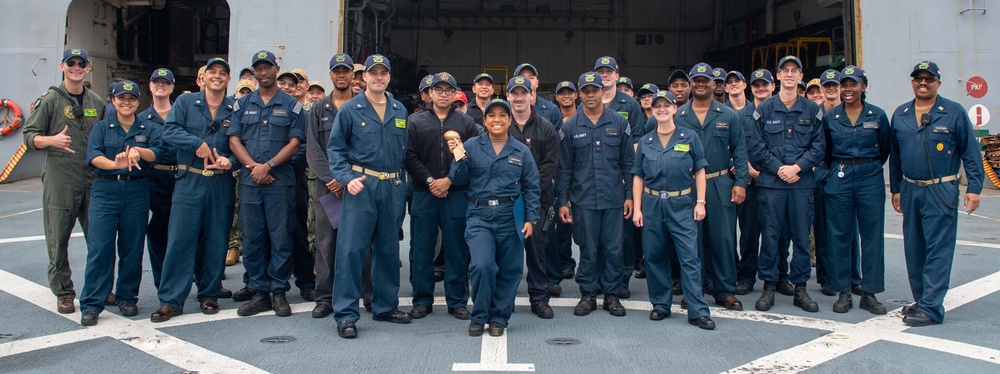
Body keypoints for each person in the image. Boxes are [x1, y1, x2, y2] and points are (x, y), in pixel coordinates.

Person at [890, 60, 983, 326]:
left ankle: (931, 308)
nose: (923, 82)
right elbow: (895, 156)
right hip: (910, 189)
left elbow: (970, 152)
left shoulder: (952, 112)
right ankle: (922, 300)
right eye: (918, 78)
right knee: (914, 247)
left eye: (928, 79)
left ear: (938, 83)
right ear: (912, 82)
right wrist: (896, 188)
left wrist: (974, 188)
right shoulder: (901, 114)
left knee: (938, 249)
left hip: (940, 189)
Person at [328, 54, 412, 339]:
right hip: (362, 186)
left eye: (383, 73)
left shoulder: (399, 109)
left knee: (388, 250)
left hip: (392, 187)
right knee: (351, 251)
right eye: (373, 73)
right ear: (363, 77)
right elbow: (336, 151)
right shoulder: (351, 110)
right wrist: (347, 179)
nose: (378, 77)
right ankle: (346, 314)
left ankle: (385, 306)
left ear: (389, 77)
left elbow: (404, 152)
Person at [151, 57, 237, 322]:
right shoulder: (187, 103)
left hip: (220, 182)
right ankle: (171, 300)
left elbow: (243, 144)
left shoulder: (235, 108)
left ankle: (209, 293)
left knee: (216, 239)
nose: (217, 76)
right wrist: (195, 143)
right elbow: (169, 132)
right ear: (204, 76)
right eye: (213, 72)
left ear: (228, 79)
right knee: (180, 240)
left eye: (223, 73)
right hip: (189, 180)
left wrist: (230, 161)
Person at [22, 48, 106, 314]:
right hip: (61, 180)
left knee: (99, 238)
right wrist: (52, 140)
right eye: (72, 63)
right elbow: (29, 136)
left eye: (82, 63)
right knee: (58, 239)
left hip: (92, 179)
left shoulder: (97, 102)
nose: (77, 67)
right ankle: (64, 292)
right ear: (62, 66)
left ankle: (100, 288)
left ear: (88, 68)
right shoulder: (49, 101)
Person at [448, 99, 540, 337]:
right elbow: (458, 180)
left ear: (509, 120)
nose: (497, 119)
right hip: (479, 215)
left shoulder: (521, 150)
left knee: (510, 270)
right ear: (485, 120)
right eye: (492, 116)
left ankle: (499, 317)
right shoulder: (470, 145)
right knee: (481, 265)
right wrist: (458, 156)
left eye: (502, 115)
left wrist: (530, 218)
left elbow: (531, 187)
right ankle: (479, 315)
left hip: (511, 215)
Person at [228, 50, 307, 317]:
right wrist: (254, 167)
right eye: (258, 69)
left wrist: (269, 166)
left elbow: (295, 142)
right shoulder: (241, 104)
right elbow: (234, 140)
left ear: (276, 68)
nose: (263, 73)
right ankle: (259, 291)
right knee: (253, 237)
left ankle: (279, 291)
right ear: (254, 72)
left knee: (281, 236)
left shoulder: (292, 105)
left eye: (267, 67)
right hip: (251, 181)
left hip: (279, 181)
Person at [78, 81, 161, 326]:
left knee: (132, 248)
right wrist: (117, 164)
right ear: (112, 100)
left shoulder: (148, 127)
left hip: (136, 190)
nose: (127, 103)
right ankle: (92, 303)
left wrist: (137, 151)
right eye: (121, 98)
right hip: (106, 190)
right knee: (100, 249)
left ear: (138, 102)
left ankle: (127, 297)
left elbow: (157, 153)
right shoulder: (102, 128)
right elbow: (93, 156)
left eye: (132, 99)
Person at [747, 56, 825, 312]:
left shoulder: (813, 110)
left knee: (801, 237)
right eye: (785, 71)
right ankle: (769, 286)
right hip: (772, 184)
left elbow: (819, 147)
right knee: (770, 235)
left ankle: (800, 288)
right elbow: (756, 147)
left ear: (800, 76)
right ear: (778, 76)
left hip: (801, 183)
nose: (789, 75)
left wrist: (797, 168)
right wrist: (779, 169)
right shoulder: (765, 109)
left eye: (794, 71)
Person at [632, 91, 715, 330]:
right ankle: (660, 305)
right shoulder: (646, 141)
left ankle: (698, 310)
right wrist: (637, 209)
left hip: (682, 204)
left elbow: (700, 171)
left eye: (666, 105)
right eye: (657, 106)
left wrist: (701, 202)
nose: (661, 109)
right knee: (655, 256)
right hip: (652, 204)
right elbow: (638, 176)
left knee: (689, 257)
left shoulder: (689, 137)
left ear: (675, 108)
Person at [404, 72, 480, 320]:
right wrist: (430, 181)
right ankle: (422, 299)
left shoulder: (466, 124)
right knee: (422, 248)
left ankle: (457, 300)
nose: (444, 94)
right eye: (439, 89)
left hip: (456, 193)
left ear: (455, 94)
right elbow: (409, 156)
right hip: (423, 193)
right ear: (431, 93)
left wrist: (449, 180)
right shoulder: (415, 122)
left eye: (449, 90)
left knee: (457, 248)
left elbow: (470, 158)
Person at [556, 72, 633, 317]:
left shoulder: (619, 123)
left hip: (614, 198)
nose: (591, 95)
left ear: (603, 92)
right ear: (579, 94)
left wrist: (630, 195)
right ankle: (588, 294)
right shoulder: (570, 127)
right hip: (583, 200)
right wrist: (563, 201)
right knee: (587, 248)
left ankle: (611, 295)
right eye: (586, 91)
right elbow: (564, 168)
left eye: (595, 90)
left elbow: (629, 164)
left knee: (614, 248)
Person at [673, 63, 748, 311]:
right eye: (697, 80)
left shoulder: (728, 115)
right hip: (688, 185)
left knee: (723, 238)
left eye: (706, 80)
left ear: (714, 84)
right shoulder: (679, 116)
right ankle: (695, 290)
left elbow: (740, 151)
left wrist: (740, 183)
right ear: (691, 84)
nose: (702, 83)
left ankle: (725, 290)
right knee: (691, 240)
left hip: (720, 183)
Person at [822, 65, 890, 315]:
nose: (848, 89)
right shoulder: (831, 117)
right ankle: (843, 292)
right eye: (844, 84)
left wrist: (866, 166)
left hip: (869, 176)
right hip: (840, 175)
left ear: (863, 86)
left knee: (872, 236)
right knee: (839, 235)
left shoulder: (878, 115)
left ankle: (869, 293)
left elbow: (884, 149)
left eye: (853, 84)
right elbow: (825, 151)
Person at [505, 76, 559, 318]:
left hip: (536, 200)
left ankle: (539, 297)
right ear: (508, 96)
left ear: (531, 95)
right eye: (514, 93)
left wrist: (529, 188)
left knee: (537, 251)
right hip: (506, 201)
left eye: (523, 93)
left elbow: (550, 165)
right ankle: (505, 298)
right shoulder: (500, 125)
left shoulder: (546, 128)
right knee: (506, 251)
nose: (519, 98)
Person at [735, 69, 791, 296]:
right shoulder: (740, 116)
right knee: (749, 233)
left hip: (777, 183)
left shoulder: (782, 111)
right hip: (750, 183)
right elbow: (736, 147)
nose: (760, 88)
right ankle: (747, 276)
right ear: (751, 87)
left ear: (773, 86)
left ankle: (780, 276)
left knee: (779, 232)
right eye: (756, 84)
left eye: (765, 84)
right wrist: (748, 169)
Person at [593, 56, 643, 298]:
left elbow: (636, 142)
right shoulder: (588, 102)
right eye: (600, 71)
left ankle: (622, 279)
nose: (605, 75)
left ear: (616, 74)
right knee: (598, 236)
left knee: (622, 236)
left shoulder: (629, 105)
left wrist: (628, 177)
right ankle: (602, 278)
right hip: (594, 180)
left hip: (620, 179)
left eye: (608, 71)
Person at [141, 68, 178, 289]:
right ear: (150, 86)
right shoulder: (141, 119)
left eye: (166, 82)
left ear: (172, 87)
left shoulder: (181, 114)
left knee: (185, 232)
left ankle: (191, 276)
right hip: (154, 179)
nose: (161, 85)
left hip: (180, 177)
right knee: (157, 232)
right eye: (157, 82)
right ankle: (161, 280)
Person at [548, 80, 578, 287]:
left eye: (570, 92)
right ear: (556, 98)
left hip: (582, 177)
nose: (566, 96)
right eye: (562, 93)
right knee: (561, 221)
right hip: (559, 174)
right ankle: (563, 262)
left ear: (576, 95)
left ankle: (572, 262)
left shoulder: (584, 118)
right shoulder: (554, 119)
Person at [512, 63, 564, 128]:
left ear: (537, 83)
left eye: (531, 77)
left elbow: (556, 137)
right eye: (522, 77)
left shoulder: (552, 110)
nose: (527, 81)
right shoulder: (505, 109)